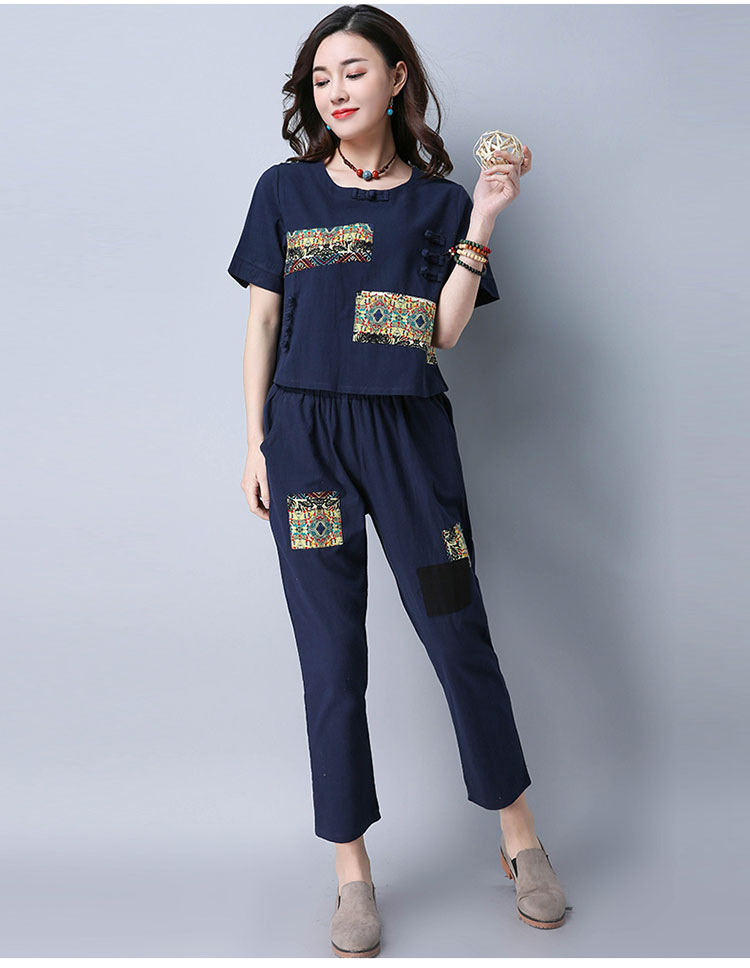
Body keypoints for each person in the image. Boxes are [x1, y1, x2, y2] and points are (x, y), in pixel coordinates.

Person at [228, 4, 568, 954]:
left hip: (409, 437)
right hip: (305, 441)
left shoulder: (441, 203)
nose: (335, 91)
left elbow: (446, 331)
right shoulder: (284, 191)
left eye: (353, 71)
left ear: (396, 79)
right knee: (331, 654)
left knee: (458, 632)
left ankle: (520, 840)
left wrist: (485, 217)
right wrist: (255, 443)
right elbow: (263, 320)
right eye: (320, 78)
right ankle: (352, 873)